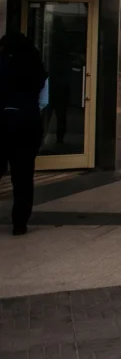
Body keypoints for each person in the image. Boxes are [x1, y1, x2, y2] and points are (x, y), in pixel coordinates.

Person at [0, 33, 48, 236]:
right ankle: (20, 223)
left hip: (2, 122)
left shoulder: (2, 66)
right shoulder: (37, 68)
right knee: (23, 176)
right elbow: (43, 101)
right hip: (28, 125)